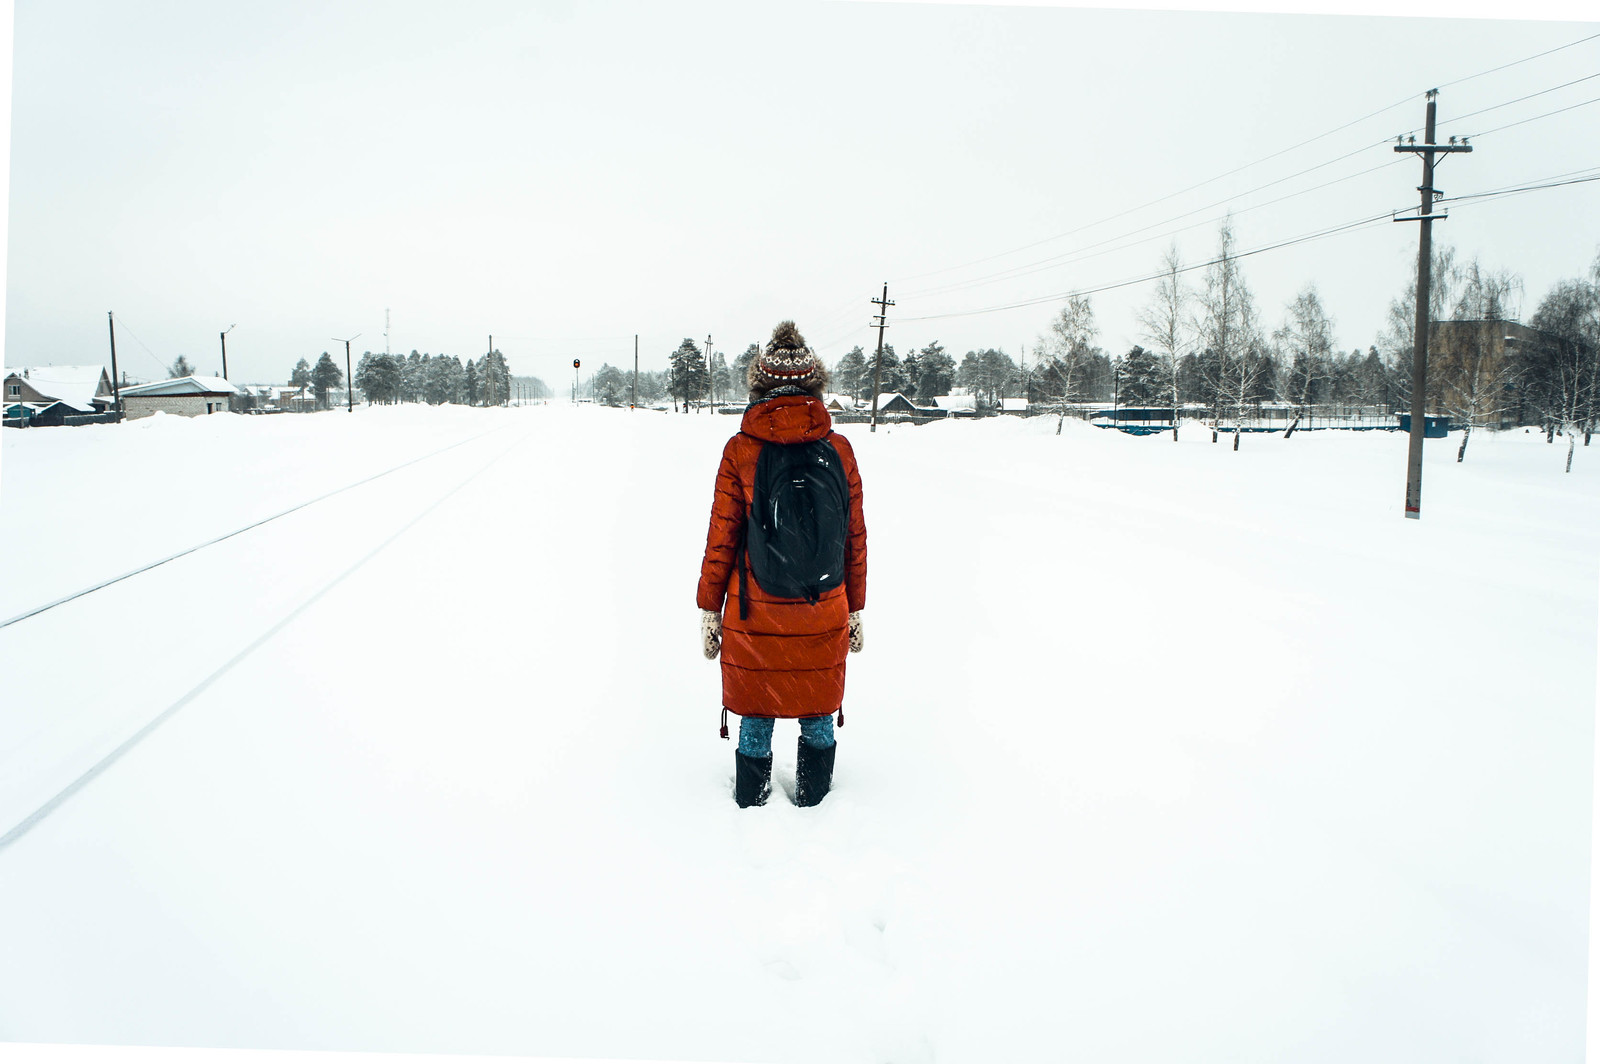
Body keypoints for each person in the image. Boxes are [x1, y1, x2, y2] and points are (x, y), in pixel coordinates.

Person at [697, 321, 867, 808]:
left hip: (757, 612)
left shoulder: (741, 450)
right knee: (816, 703)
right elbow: (853, 538)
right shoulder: (839, 449)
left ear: (759, 385)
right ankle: (816, 803)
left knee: (758, 706)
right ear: (816, 385)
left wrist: (711, 608)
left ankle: (752, 803)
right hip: (824, 604)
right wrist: (855, 608)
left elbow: (721, 539)